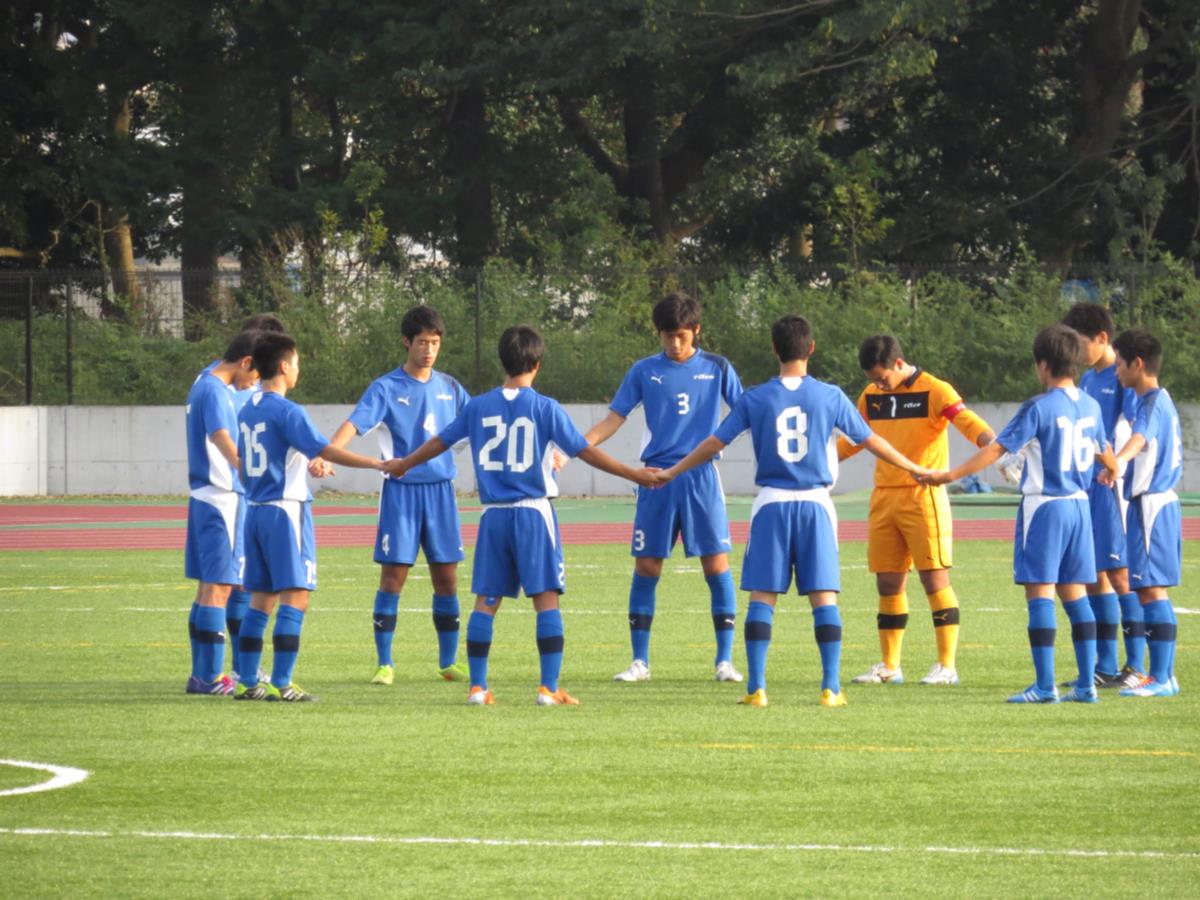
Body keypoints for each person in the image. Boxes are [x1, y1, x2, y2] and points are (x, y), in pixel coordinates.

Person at [654, 315, 929, 707]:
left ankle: (757, 689)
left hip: (772, 505)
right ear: (811, 348)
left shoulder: (755, 397)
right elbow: (871, 442)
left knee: (763, 598)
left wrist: (673, 470)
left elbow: (714, 443)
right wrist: (915, 467)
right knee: (824, 598)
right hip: (816, 505)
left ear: (773, 349)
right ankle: (831, 688)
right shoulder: (831, 396)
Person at [390, 325, 659, 706]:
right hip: (534, 514)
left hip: (493, 516)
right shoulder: (545, 407)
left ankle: (478, 688)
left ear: (503, 360)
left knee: (486, 601)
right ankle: (548, 688)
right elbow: (584, 451)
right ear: (536, 363)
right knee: (546, 599)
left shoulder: (477, 406)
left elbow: (440, 442)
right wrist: (635, 473)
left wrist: (404, 463)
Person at [919, 324, 1105, 703]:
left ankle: (1045, 685)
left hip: (1046, 507)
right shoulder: (1091, 404)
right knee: (1076, 595)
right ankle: (1087, 685)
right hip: (1080, 508)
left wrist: (948, 475)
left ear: (1043, 365)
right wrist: (1112, 468)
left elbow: (997, 449)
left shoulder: (1038, 406)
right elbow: (1105, 451)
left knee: (1040, 593)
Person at [584, 292, 745, 685]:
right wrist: (580, 445)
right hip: (655, 480)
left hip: (701, 478)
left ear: (696, 331)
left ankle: (724, 661)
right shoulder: (643, 371)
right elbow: (615, 417)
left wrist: (718, 443)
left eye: (681, 336)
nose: (674, 344)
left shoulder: (718, 367)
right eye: (667, 336)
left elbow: (745, 413)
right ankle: (640, 662)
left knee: (716, 565)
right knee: (647, 566)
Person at [233, 332, 390, 702]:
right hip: (286, 513)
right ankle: (283, 683)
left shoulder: (248, 408)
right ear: (285, 367)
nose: (299, 369)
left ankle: (246, 680)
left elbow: (258, 459)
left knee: (260, 600)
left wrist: (302, 465)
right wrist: (378, 463)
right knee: (296, 595)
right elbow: (325, 449)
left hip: (254, 511)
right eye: (298, 363)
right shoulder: (288, 410)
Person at [320, 306, 470, 687]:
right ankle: (385, 663)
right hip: (401, 494)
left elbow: (481, 424)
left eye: (435, 343)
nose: (429, 350)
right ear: (407, 342)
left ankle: (448, 663)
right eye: (422, 343)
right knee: (393, 578)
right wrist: (326, 454)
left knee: (447, 579)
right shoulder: (386, 388)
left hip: (441, 494)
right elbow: (353, 425)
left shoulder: (451, 388)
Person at [837, 335, 995, 688]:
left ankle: (946, 666)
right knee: (888, 581)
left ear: (898, 363)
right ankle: (890, 665)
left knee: (933, 577)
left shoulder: (935, 390)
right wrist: (818, 460)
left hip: (924, 496)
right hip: (883, 498)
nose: (878, 384)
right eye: (872, 379)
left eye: (882, 377)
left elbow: (967, 421)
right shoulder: (871, 396)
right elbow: (854, 439)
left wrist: (995, 446)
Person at [200, 313, 287, 682]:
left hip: (240, 493)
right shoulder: (223, 386)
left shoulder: (233, 384)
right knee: (226, 584)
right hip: (229, 493)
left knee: (239, 580)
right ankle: (221, 673)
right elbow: (222, 436)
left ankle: (239, 669)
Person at [1061, 303, 1143, 688]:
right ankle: (1106, 665)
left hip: (1115, 490)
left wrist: (1117, 465)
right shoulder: (1089, 379)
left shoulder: (1124, 378)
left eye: (1080, 343)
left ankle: (1138, 666)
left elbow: (1133, 432)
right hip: (1089, 488)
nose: (1075, 352)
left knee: (1120, 575)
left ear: (1102, 339)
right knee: (1094, 575)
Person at [1101, 329, 1183, 698]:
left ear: (1137, 364)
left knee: (1151, 590)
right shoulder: (1153, 400)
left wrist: (1116, 462)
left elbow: (1140, 439)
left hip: (1152, 505)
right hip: (1149, 503)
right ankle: (1162, 675)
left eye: (1119, 363)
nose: (1116, 370)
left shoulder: (1151, 404)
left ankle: (1162, 677)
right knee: (1149, 588)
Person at [183, 331, 261, 694]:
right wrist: (247, 467)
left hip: (205, 496)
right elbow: (221, 437)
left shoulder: (204, 380)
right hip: (222, 496)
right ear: (245, 362)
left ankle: (201, 675)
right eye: (255, 374)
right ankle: (212, 677)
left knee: (208, 586)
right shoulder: (215, 390)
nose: (253, 383)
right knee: (219, 586)